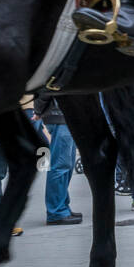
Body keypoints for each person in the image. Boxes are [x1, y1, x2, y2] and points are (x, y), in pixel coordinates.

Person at [32, 95, 82, 225]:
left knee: (67, 165)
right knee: (61, 166)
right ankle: (57, 212)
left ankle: (62, 207)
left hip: (64, 115)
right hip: (59, 115)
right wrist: (38, 110)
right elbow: (45, 89)